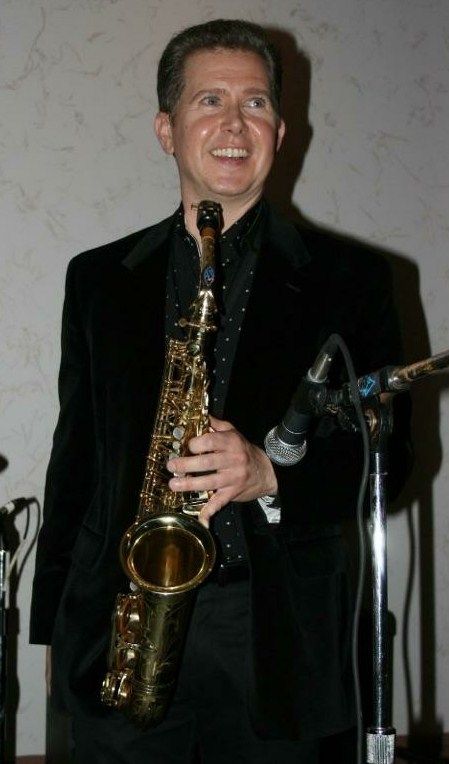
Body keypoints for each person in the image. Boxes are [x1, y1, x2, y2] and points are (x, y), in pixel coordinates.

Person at [30, 19, 411, 764]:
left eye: (256, 103)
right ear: (166, 131)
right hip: (121, 623)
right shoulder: (98, 280)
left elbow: (391, 459)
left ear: (281, 132)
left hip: (277, 639)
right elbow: (74, 461)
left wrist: (270, 473)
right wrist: (54, 632)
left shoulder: (352, 279)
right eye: (210, 101)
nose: (235, 124)